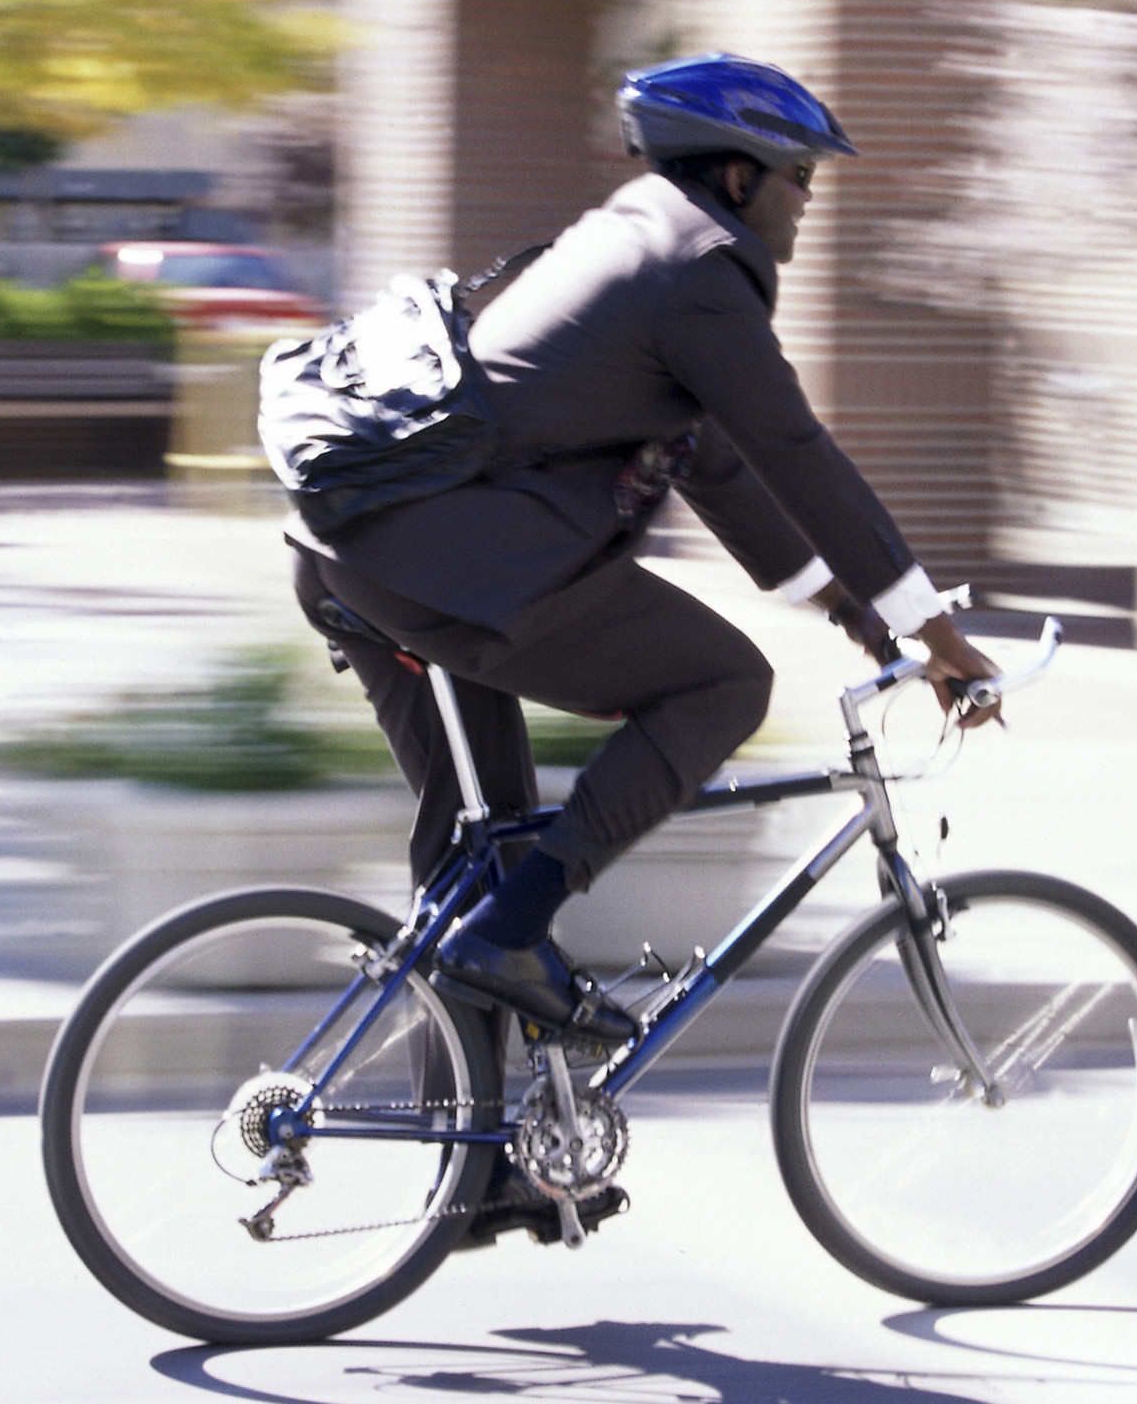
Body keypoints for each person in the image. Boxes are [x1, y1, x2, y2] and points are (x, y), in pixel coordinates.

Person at [290, 53, 998, 1040]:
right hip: (453, 567)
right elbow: (792, 448)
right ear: (739, 174)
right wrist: (940, 630)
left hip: (366, 553)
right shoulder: (699, 272)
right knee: (721, 685)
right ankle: (511, 934)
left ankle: (480, 1171)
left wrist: (853, 612)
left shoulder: (627, 241)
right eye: (801, 177)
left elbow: (709, 461)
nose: (806, 203)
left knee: (479, 865)